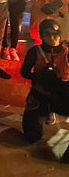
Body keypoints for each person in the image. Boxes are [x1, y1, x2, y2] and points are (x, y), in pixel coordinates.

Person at [20, 19, 69, 163]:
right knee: (32, 135)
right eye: (48, 34)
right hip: (41, 92)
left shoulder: (67, 52)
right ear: (42, 36)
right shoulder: (35, 52)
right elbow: (24, 72)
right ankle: (44, 114)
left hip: (62, 93)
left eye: (56, 34)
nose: (53, 38)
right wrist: (38, 75)